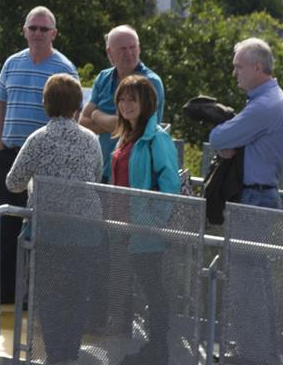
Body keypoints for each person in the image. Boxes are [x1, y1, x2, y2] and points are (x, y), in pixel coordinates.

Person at [3, 73, 100, 365]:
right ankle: (69, 354)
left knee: (49, 298)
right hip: (85, 231)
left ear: (46, 103)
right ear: (77, 104)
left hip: (50, 232)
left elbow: (13, 182)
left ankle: (55, 355)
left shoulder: (38, 139)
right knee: (76, 297)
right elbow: (96, 176)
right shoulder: (91, 139)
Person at [206, 37, 283, 365]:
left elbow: (219, 137)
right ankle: (256, 353)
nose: (234, 73)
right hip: (255, 198)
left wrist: (227, 139)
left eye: (239, 66)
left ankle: (253, 356)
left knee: (247, 285)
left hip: (254, 199)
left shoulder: (265, 105)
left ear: (258, 67)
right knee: (252, 282)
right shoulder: (269, 100)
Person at [0, 6, 77, 304]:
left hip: (46, 162)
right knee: (7, 223)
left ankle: (38, 294)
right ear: (24, 30)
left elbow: (73, 112)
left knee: (43, 228)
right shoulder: (12, 63)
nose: (38, 33)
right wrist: (0, 142)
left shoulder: (64, 67)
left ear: (54, 33)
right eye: (33, 28)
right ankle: (4, 292)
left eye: (44, 29)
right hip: (11, 155)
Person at [110, 74, 182, 365]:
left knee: (154, 291)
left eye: (132, 99)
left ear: (146, 103)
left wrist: (154, 222)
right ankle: (152, 347)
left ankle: (159, 350)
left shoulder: (157, 139)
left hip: (147, 231)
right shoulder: (127, 136)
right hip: (127, 227)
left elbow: (170, 186)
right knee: (145, 289)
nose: (126, 105)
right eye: (122, 98)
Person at [80, 25, 165, 175]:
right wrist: (119, 124)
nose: (129, 53)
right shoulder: (103, 78)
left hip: (136, 172)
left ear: (139, 48)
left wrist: (96, 115)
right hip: (102, 170)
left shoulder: (149, 82)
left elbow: (137, 128)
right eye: (123, 49)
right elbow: (83, 122)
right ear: (109, 52)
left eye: (133, 47)